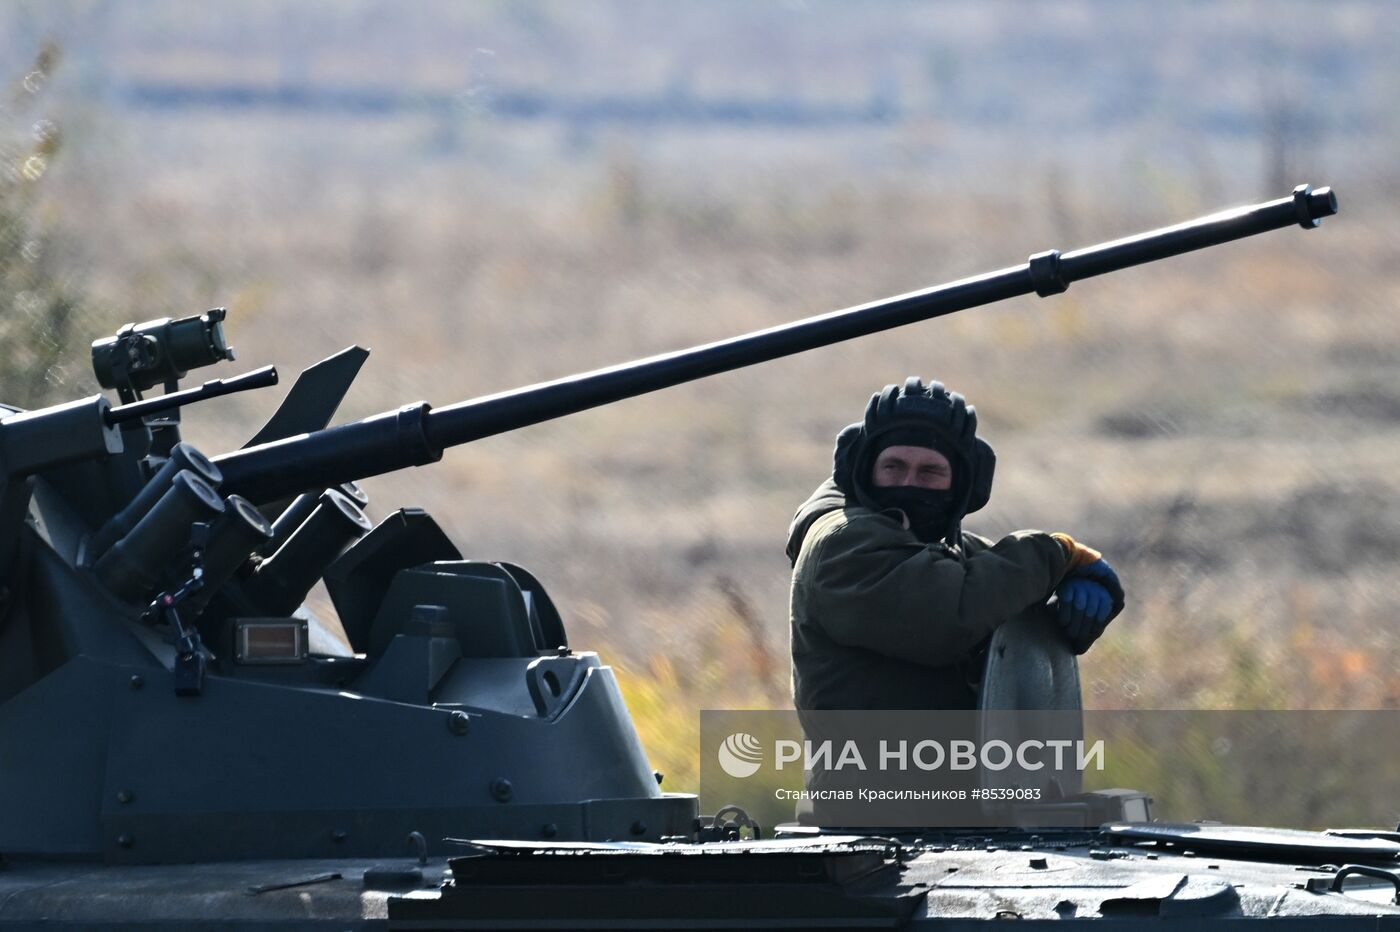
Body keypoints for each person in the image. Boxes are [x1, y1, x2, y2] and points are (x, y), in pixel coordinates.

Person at [787, 377, 1124, 712]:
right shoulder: (843, 544)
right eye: (893, 467)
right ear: (866, 471)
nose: (908, 484)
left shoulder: (928, 546)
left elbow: (988, 579)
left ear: (960, 486)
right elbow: (952, 614)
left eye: (929, 472)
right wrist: (1058, 555)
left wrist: (1060, 603)